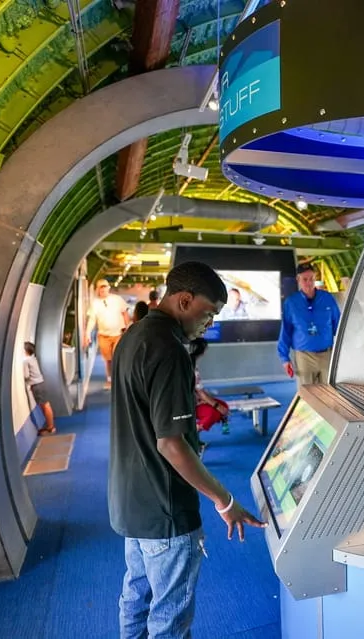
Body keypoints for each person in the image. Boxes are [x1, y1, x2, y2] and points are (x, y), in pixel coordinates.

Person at [109, 261, 265, 639]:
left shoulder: (133, 336)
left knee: (136, 597)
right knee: (170, 618)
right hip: (165, 507)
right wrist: (225, 500)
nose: (209, 323)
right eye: (208, 313)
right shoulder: (170, 349)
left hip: (131, 500)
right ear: (184, 300)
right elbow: (171, 443)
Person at [277, 263, 341, 385]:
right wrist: (284, 358)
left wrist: (343, 351)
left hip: (327, 355)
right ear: (298, 279)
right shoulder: (291, 303)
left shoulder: (327, 299)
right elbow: (286, 331)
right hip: (304, 357)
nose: (309, 283)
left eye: (311, 279)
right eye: (305, 279)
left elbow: (338, 326)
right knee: (307, 393)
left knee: (329, 392)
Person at [84, 279, 129, 389]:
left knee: (117, 357)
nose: (103, 289)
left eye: (105, 287)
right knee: (108, 360)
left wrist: (127, 327)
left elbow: (125, 313)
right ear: (97, 290)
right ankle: (110, 380)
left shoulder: (117, 299)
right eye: (101, 287)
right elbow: (92, 320)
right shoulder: (95, 303)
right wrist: (87, 333)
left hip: (118, 334)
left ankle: (120, 379)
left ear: (109, 288)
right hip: (103, 335)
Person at [189, 337, 231, 436]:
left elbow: (198, 390)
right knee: (213, 413)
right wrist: (217, 406)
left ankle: (224, 426)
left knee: (224, 405)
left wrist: (209, 401)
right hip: (189, 403)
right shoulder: (191, 365)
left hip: (195, 398)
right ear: (203, 350)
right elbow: (200, 392)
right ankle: (192, 435)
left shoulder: (192, 362)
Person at [23, 342, 55, 436]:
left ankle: (51, 428)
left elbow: (26, 375)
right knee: (45, 405)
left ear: (25, 351)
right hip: (41, 383)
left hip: (37, 386)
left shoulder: (26, 361)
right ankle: (50, 426)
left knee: (45, 406)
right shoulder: (33, 359)